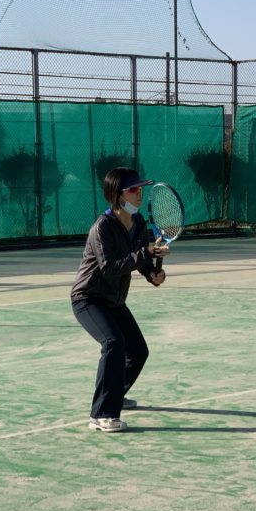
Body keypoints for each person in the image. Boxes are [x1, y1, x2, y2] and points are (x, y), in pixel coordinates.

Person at [71, 167, 168, 432]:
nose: (139, 194)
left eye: (141, 189)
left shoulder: (138, 223)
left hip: (114, 300)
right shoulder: (102, 227)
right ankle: (101, 414)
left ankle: (115, 394)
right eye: (134, 189)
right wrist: (146, 253)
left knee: (138, 351)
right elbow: (110, 267)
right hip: (88, 298)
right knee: (113, 342)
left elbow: (141, 261)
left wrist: (153, 274)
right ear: (117, 194)